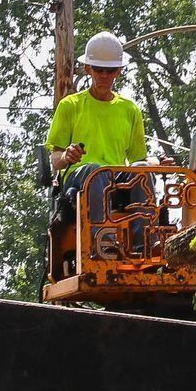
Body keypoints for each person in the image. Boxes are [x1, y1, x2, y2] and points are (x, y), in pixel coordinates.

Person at [47, 31, 149, 255]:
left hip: (115, 176)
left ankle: (145, 244)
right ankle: (104, 243)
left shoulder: (129, 110)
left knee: (142, 172)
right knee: (96, 171)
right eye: (98, 69)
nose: (104, 75)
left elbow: (138, 160)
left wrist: (158, 164)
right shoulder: (70, 105)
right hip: (79, 177)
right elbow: (55, 160)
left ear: (119, 71)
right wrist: (66, 157)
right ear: (88, 69)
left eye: (110, 70)